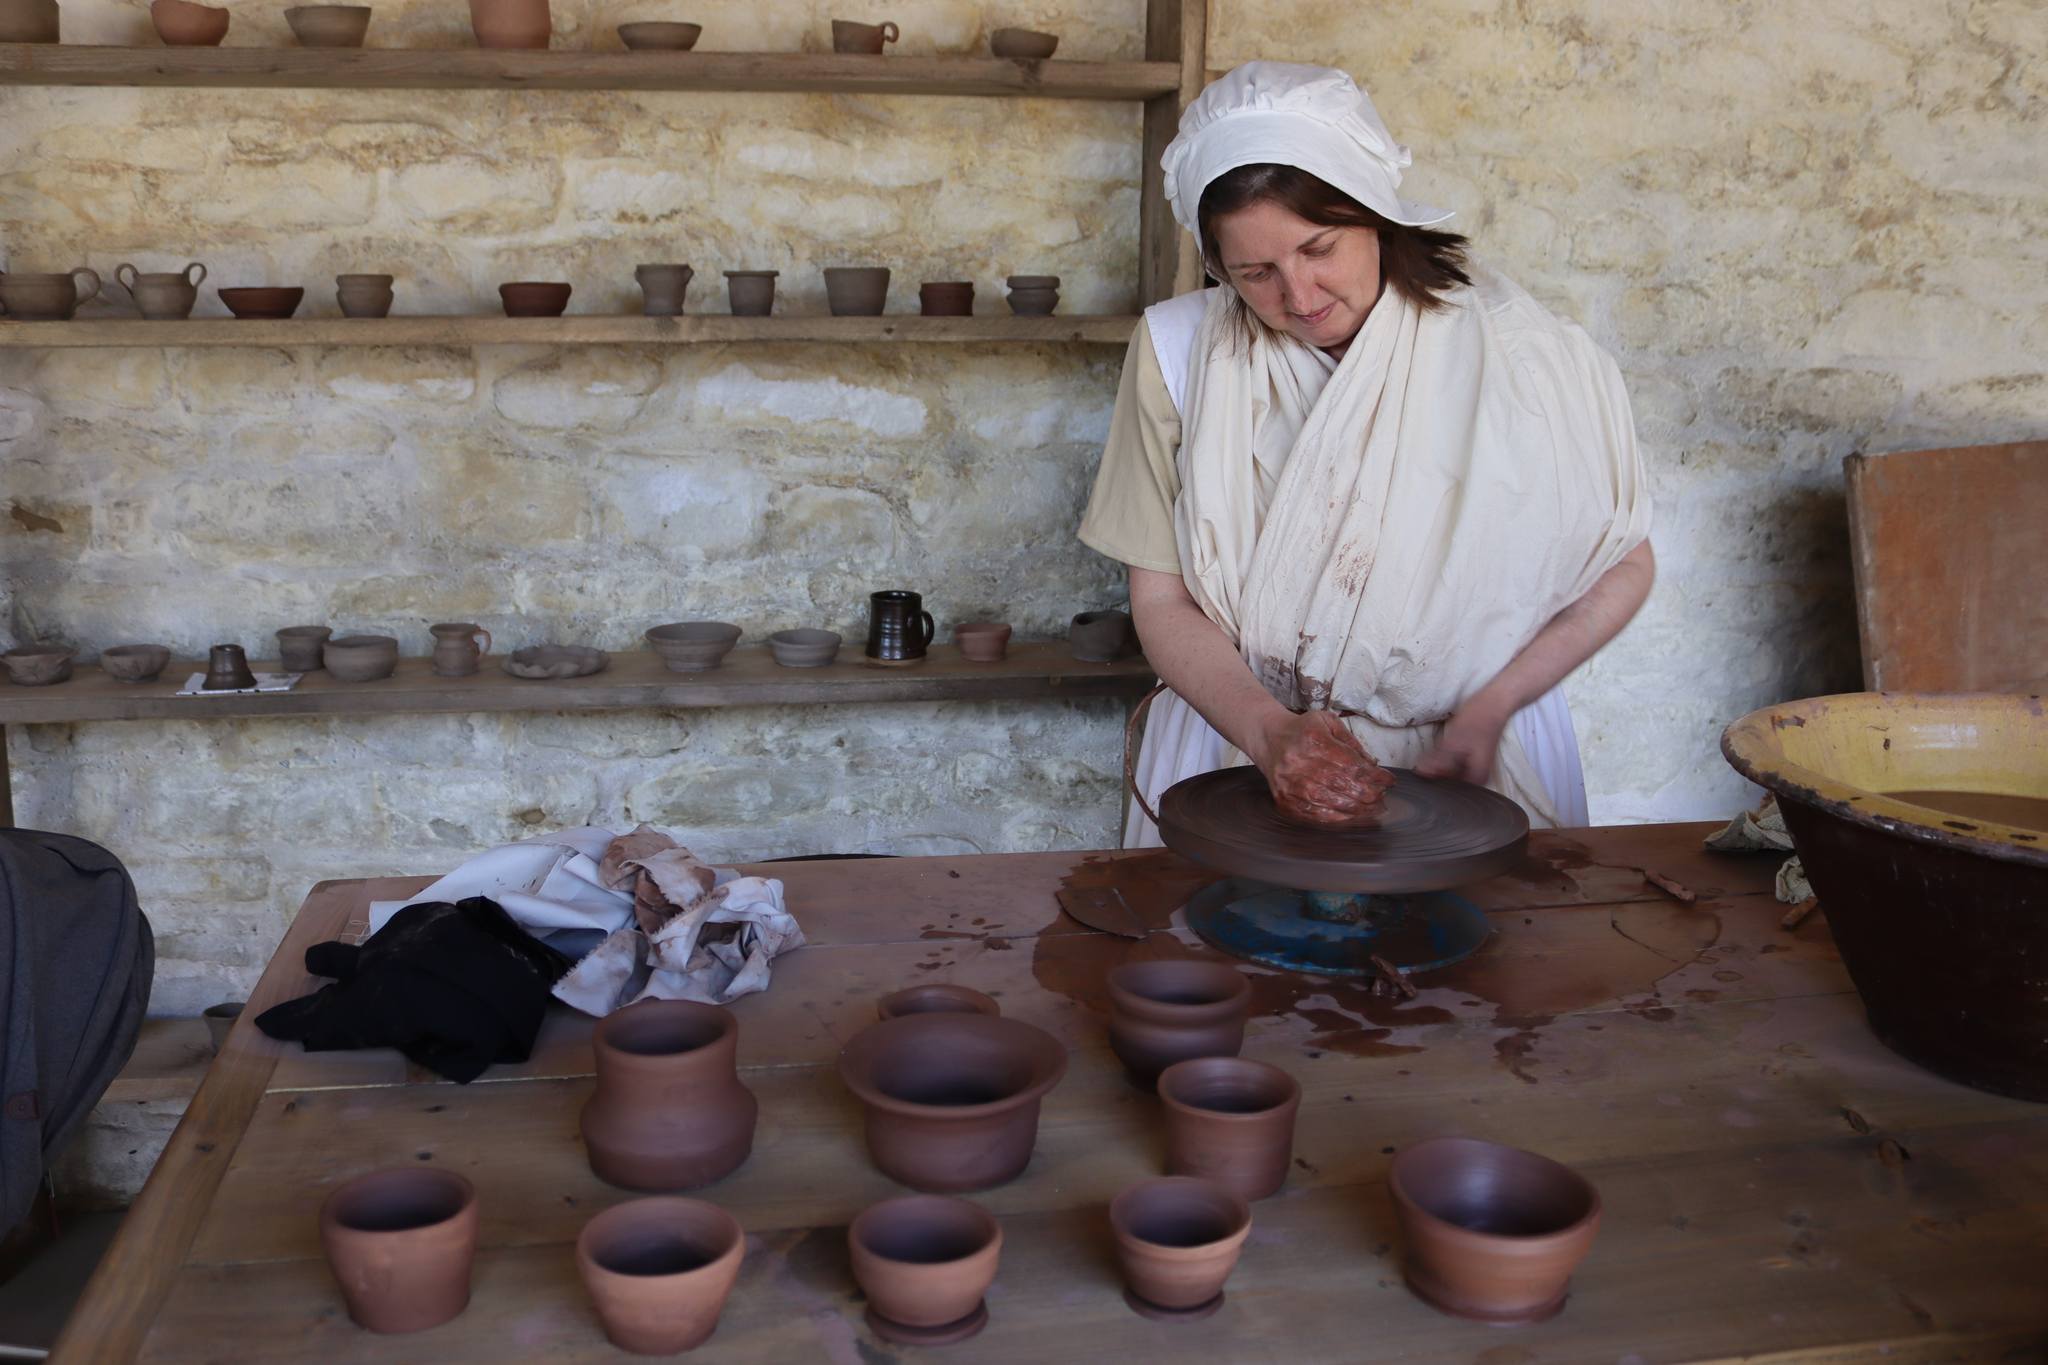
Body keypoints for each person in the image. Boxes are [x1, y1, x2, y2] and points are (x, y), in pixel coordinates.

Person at [1079, 62, 1654, 845]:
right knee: (1228, 928)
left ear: (1376, 213)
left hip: (1477, 755)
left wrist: (1495, 703)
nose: (1299, 295)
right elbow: (1161, 602)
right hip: (1240, 750)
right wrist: (1270, 734)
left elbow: (1624, 563)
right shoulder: (1180, 355)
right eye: (1256, 273)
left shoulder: (1521, 353)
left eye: (1319, 248)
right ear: (1218, 266)